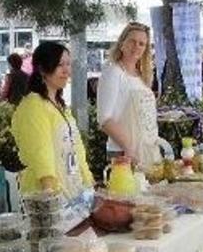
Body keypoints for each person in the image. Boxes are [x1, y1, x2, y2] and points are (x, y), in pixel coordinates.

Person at [11, 41, 94, 198]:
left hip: (73, 192)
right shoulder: (34, 105)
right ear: (42, 69)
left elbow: (77, 149)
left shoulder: (59, 105)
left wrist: (89, 183)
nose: (66, 70)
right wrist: (49, 194)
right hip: (46, 196)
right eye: (59, 65)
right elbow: (40, 152)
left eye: (68, 64)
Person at [97, 21, 160, 167]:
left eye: (141, 44)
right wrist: (130, 149)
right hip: (124, 153)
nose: (136, 46)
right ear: (122, 43)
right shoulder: (113, 72)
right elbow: (104, 119)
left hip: (147, 151)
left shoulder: (143, 76)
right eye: (132, 41)